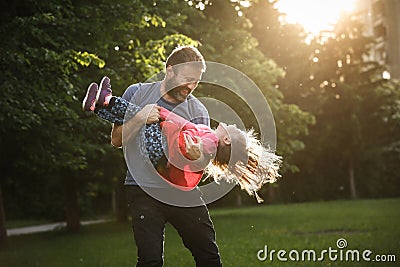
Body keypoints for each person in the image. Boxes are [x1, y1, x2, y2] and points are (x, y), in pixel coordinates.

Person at [83, 76, 281, 198]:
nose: (230, 124)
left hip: (159, 149)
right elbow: (184, 125)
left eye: (233, 128)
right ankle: (97, 106)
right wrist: (164, 115)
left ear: (227, 139)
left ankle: (106, 100)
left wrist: (196, 154)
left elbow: (197, 150)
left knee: (137, 112)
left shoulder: (210, 142)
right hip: (157, 151)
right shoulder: (207, 133)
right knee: (136, 114)